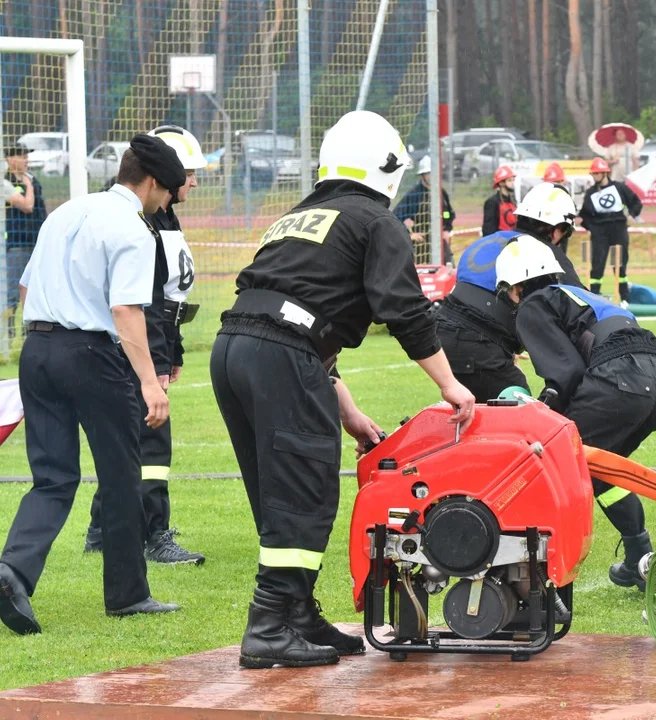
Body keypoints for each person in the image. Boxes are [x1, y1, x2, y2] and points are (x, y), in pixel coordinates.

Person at [209, 111, 476, 669]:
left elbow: (298, 314)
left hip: (235, 346)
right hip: (283, 351)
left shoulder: (300, 214)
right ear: (385, 168)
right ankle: (267, 626)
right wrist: (450, 384)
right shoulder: (376, 221)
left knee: (278, 489)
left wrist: (348, 410)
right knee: (304, 490)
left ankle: (297, 613)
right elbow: (404, 310)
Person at [0, 135, 186, 635]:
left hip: (36, 349)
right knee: (122, 472)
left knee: (53, 477)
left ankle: (11, 570)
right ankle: (128, 595)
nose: (167, 202)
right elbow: (125, 311)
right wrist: (151, 383)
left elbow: (24, 287)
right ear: (150, 183)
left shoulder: (66, 211)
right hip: (91, 354)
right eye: (167, 192)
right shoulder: (133, 229)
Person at [494, 236, 656, 590]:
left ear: (515, 287)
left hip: (618, 382)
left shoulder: (534, 304)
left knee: (552, 468)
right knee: (601, 470)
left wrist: (541, 417)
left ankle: (542, 579)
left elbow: (566, 374)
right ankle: (640, 559)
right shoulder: (584, 295)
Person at [84, 126, 206, 565]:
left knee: (132, 442)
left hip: (155, 341)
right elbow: (141, 303)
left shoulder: (165, 216)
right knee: (153, 445)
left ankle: (102, 527)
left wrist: (173, 353)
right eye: (188, 173)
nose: (192, 182)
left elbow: (170, 295)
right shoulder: (141, 219)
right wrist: (153, 365)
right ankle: (155, 534)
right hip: (135, 345)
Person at [435, 183, 583, 402]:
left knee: (478, 419)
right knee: (524, 422)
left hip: (441, 337)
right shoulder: (543, 253)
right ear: (558, 228)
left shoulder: (485, 242)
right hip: (480, 346)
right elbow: (578, 308)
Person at [580, 157, 642, 302]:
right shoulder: (590, 193)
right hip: (599, 233)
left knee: (619, 266)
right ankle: (594, 298)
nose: (595, 176)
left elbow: (636, 203)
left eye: (597, 173)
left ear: (605, 173)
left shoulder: (619, 188)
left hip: (618, 230)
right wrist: (591, 228)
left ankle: (624, 298)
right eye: (593, 174)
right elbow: (584, 215)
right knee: (597, 266)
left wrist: (632, 216)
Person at [3, 142, 47, 340]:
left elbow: (40, 210)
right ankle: (9, 336)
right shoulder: (6, 181)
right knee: (13, 292)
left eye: (26, 155)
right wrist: (27, 185)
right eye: (21, 156)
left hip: (35, 242)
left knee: (36, 291)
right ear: (10, 159)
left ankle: (29, 333)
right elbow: (27, 206)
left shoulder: (33, 180)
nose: (26, 159)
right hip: (16, 244)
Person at [393, 155, 455, 265]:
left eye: (434, 173)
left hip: (439, 243)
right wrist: (409, 235)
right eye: (428, 173)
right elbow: (395, 217)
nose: (432, 176)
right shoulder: (415, 195)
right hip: (421, 247)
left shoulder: (441, 193)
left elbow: (447, 213)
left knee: (449, 268)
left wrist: (447, 229)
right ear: (422, 175)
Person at [482, 165, 518, 237]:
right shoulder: (492, 202)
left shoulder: (513, 201)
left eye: (513, 180)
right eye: (509, 180)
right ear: (501, 183)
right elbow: (488, 229)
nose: (513, 183)